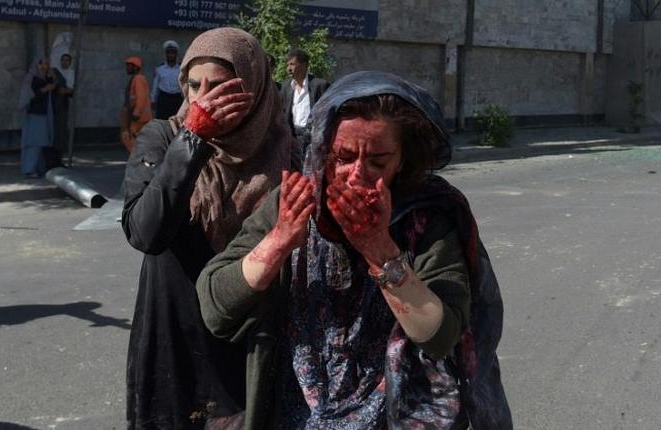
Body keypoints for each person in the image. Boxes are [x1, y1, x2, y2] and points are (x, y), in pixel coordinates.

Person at [197, 71, 512, 429]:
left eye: (378, 162)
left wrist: (379, 248)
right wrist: (280, 240)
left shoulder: (428, 222)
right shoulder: (292, 204)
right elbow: (216, 308)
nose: (356, 175)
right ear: (321, 151)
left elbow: (440, 337)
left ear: (403, 161)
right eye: (342, 158)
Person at [121, 27, 299, 429]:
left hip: (254, 341)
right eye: (194, 85)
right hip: (176, 336)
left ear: (253, 89)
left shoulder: (289, 150)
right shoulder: (162, 139)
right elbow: (146, 232)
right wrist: (192, 141)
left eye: (220, 87)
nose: (204, 99)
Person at [280, 48, 329, 154]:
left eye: (292, 64)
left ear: (304, 65)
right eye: (287, 65)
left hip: (313, 138)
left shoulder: (319, 86)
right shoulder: (286, 86)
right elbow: (282, 111)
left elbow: (327, 113)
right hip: (292, 138)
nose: (289, 69)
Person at [17, 56, 56, 178]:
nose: (44, 67)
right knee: (34, 143)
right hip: (35, 114)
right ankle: (29, 169)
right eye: (41, 64)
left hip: (42, 114)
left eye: (46, 64)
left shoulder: (45, 78)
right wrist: (44, 90)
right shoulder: (31, 79)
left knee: (40, 143)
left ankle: (37, 168)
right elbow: (29, 98)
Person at [119, 56, 152, 153]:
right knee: (136, 138)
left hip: (139, 117)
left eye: (129, 66)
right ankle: (140, 157)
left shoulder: (138, 79)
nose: (127, 68)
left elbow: (141, 97)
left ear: (136, 67)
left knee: (127, 136)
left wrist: (136, 113)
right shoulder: (135, 79)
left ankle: (137, 157)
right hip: (137, 116)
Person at [50, 52, 75, 167]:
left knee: (61, 131)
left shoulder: (71, 73)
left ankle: (58, 158)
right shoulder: (55, 72)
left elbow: (72, 89)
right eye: (63, 60)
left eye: (67, 60)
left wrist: (66, 91)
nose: (65, 62)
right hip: (54, 104)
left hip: (63, 104)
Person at [151, 40, 184, 119]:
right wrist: (153, 99)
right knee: (162, 121)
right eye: (168, 53)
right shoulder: (160, 69)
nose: (171, 55)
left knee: (177, 121)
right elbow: (155, 85)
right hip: (164, 98)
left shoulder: (181, 69)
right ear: (166, 54)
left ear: (176, 54)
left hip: (177, 99)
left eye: (173, 53)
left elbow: (184, 84)